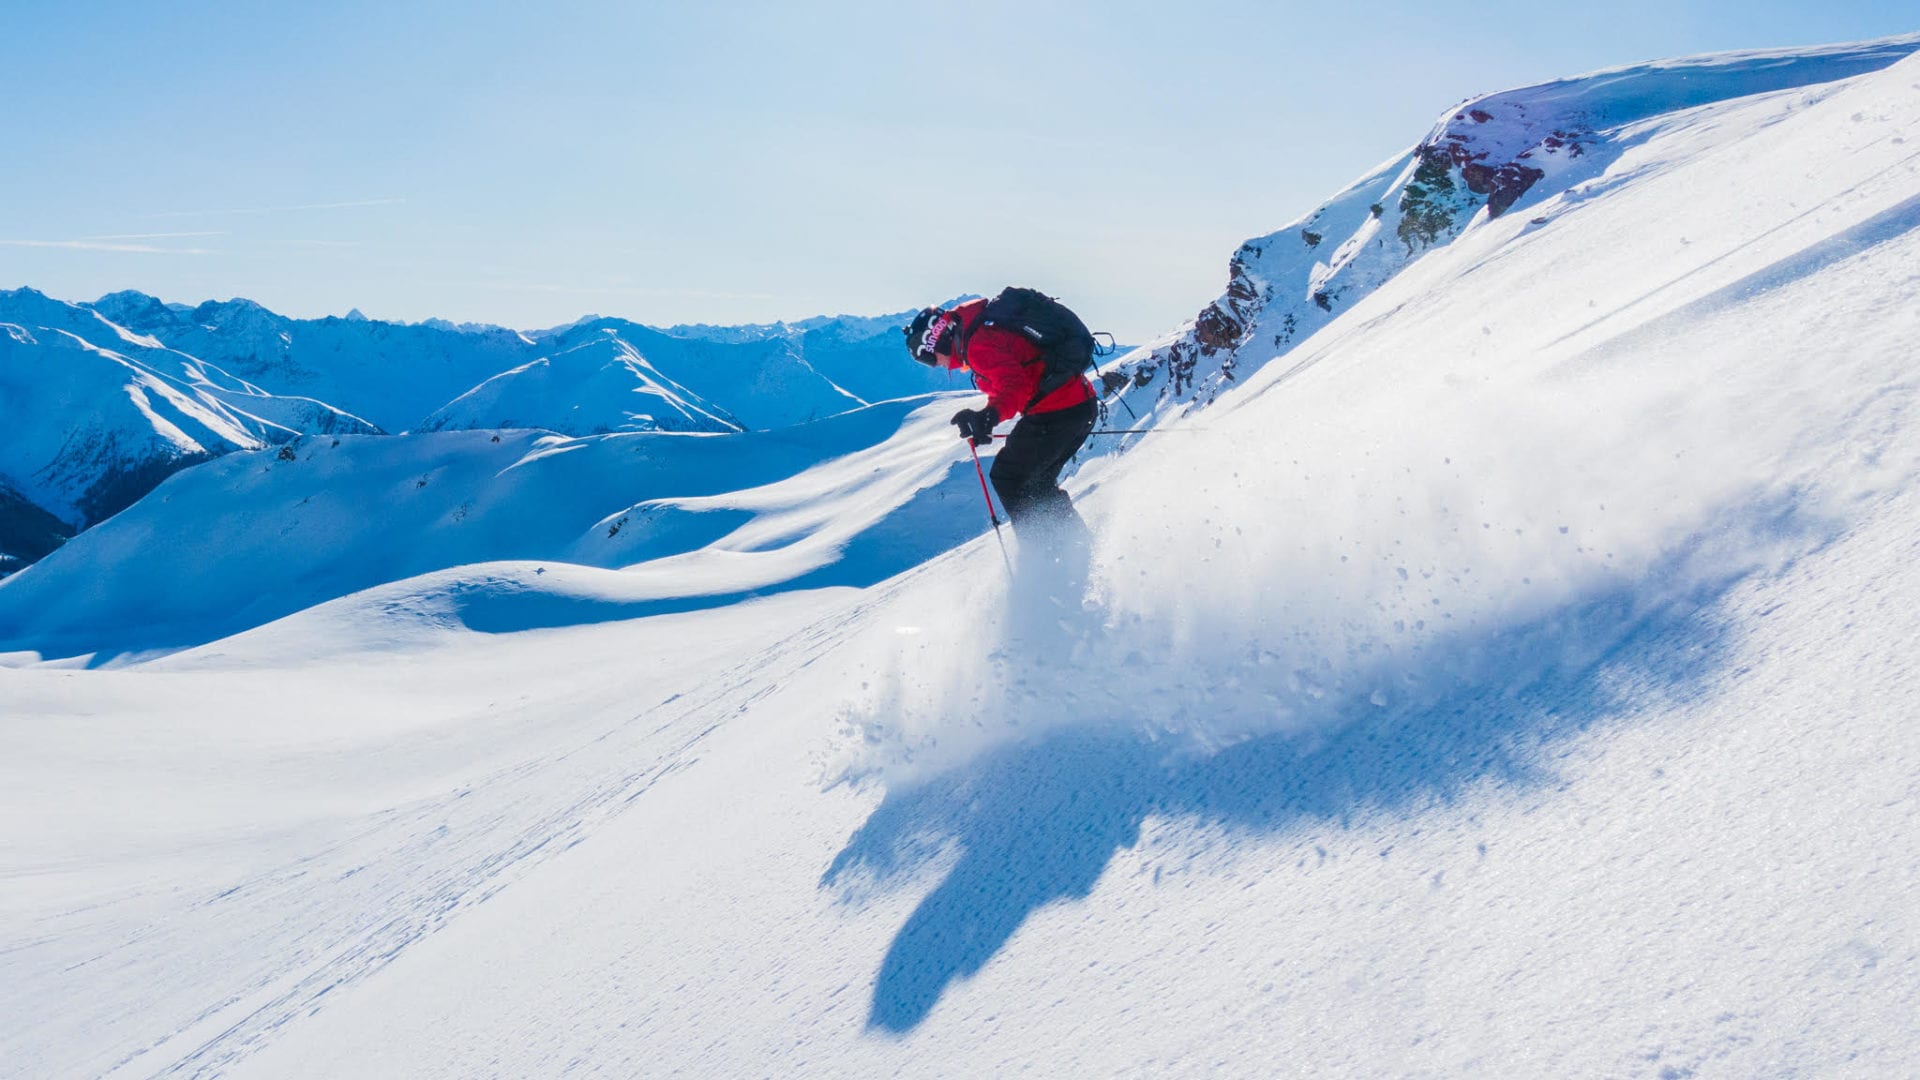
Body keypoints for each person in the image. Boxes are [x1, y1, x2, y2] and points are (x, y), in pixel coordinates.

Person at [905, 297, 1097, 525]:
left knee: (1008, 477)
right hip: (1077, 407)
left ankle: (1044, 546)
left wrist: (989, 417)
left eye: (927, 357)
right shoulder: (978, 338)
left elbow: (1016, 386)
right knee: (1037, 483)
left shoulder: (978, 345)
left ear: (938, 339)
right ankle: (1069, 544)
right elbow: (1008, 387)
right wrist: (986, 417)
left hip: (1057, 411)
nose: (934, 364)